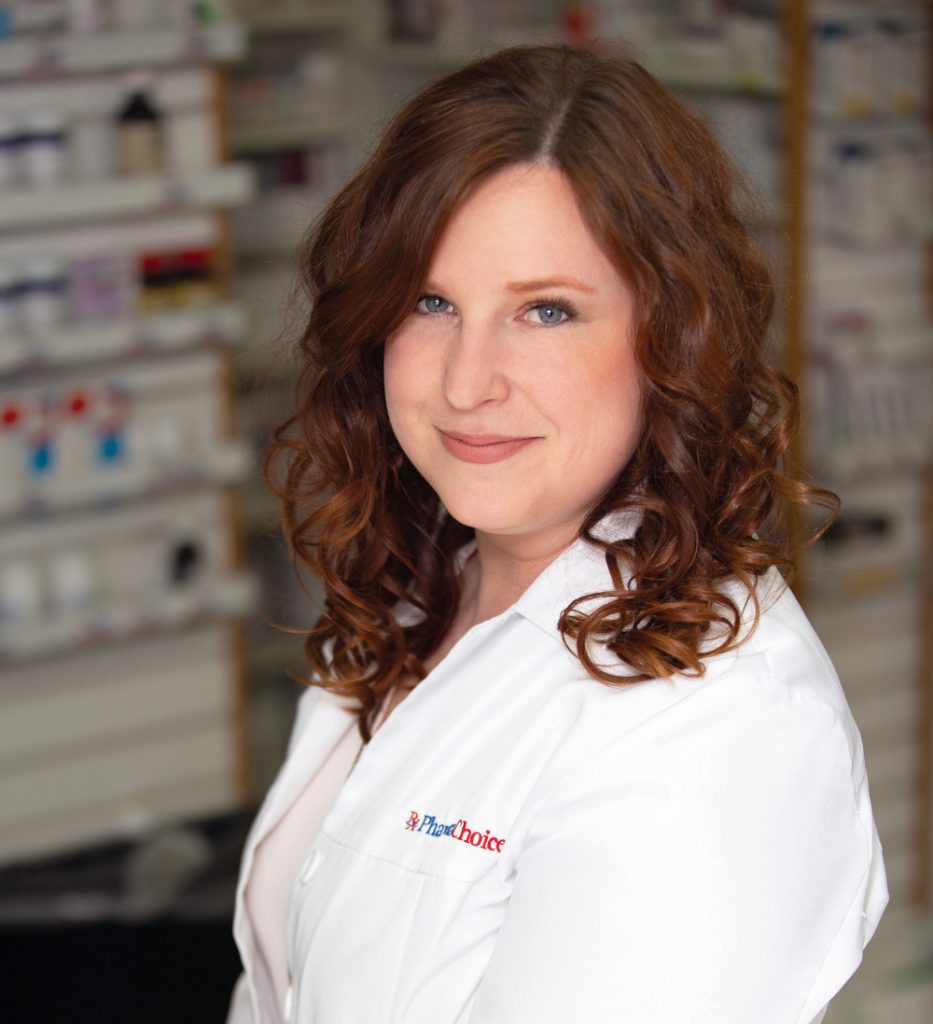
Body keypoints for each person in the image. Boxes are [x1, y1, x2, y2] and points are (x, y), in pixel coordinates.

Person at [227, 43, 888, 1024]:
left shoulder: (720, 719)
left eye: (546, 310)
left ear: (672, 338)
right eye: (432, 302)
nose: (466, 380)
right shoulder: (416, 595)